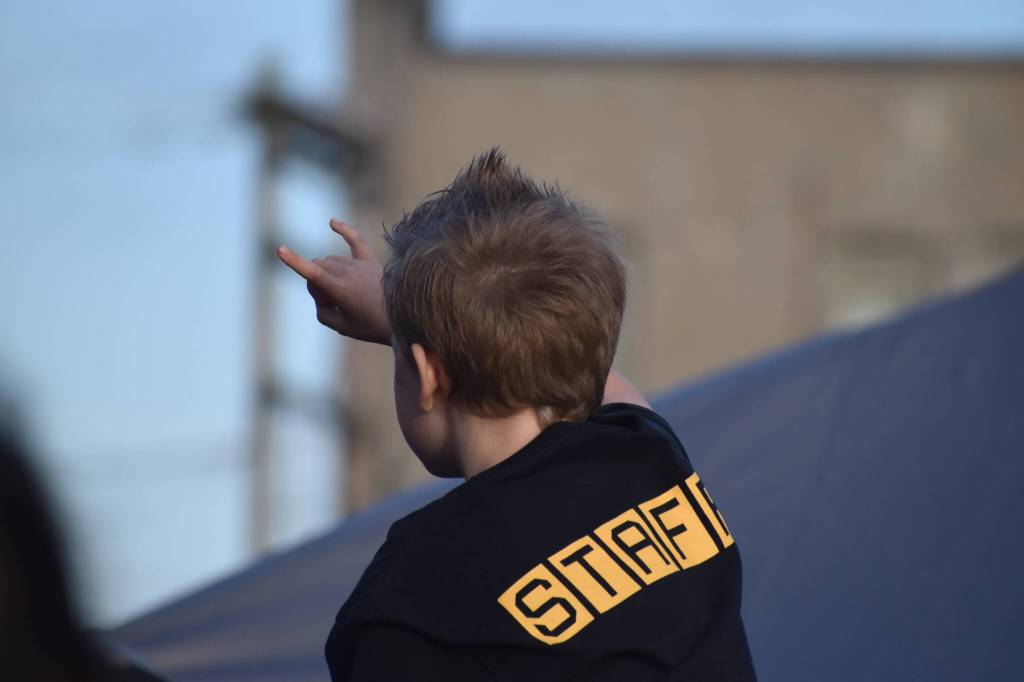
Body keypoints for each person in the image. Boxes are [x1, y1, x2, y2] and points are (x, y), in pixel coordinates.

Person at [278, 149, 756, 681]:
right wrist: (410, 319)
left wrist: (410, 318)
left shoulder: (412, 602)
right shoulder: (645, 455)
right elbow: (596, 376)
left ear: (429, 376)